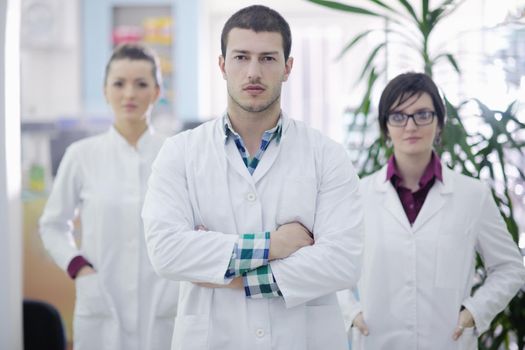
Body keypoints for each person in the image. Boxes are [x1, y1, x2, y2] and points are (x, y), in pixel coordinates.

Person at [141, 5, 363, 350]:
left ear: (288, 67)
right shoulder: (180, 153)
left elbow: (343, 262)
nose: (253, 72)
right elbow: (166, 251)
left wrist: (234, 277)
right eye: (241, 57)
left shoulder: (326, 155)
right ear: (222, 65)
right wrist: (273, 245)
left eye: (268, 59)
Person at [343, 72, 525, 350]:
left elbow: (510, 267)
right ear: (385, 128)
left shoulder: (472, 194)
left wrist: (474, 312)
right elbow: (329, 263)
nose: (411, 125)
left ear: (439, 123)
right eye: (398, 116)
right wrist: (350, 311)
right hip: (377, 339)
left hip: (447, 340)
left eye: (423, 114)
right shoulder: (359, 194)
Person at [39, 43, 179, 350]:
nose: (129, 93)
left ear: (156, 92)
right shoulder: (82, 155)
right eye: (119, 83)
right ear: (105, 91)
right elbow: (52, 225)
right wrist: (78, 267)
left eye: (141, 84)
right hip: (101, 300)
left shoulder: (177, 154)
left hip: (165, 303)